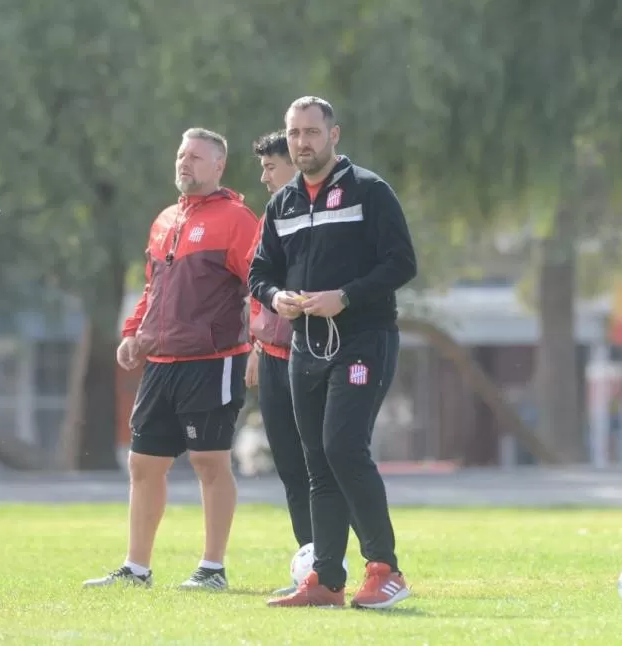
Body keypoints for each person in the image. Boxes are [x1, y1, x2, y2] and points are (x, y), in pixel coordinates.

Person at [249, 97, 417, 609]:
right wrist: (277, 299)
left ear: (334, 134)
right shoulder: (283, 204)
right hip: (306, 347)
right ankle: (325, 580)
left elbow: (402, 263)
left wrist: (344, 296)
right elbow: (261, 273)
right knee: (317, 461)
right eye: (295, 133)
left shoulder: (369, 190)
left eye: (312, 132)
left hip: (365, 340)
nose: (302, 142)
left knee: (344, 448)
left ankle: (386, 569)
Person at [84, 128, 258, 591]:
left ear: (219, 166)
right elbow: (153, 288)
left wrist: (259, 342)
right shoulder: (164, 220)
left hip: (214, 359)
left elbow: (259, 284)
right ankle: (136, 569)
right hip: (161, 363)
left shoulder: (237, 219)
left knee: (208, 460)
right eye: (182, 155)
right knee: (143, 464)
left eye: (197, 157)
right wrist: (133, 334)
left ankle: (212, 568)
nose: (186, 163)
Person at [244, 130, 311, 595]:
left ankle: (345, 559)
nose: (264, 177)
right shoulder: (271, 215)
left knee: (324, 463)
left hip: (312, 353)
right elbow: (257, 283)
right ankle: (310, 561)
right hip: (270, 355)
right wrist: (254, 348)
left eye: (271, 166)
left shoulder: (320, 217)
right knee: (289, 465)